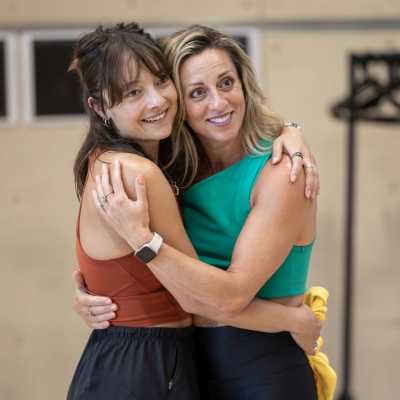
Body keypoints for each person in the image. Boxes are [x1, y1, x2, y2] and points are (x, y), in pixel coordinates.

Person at [69, 23, 321, 400]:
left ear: (244, 86)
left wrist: (291, 130)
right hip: (189, 364)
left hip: (261, 366)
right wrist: (100, 294)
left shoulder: (283, 168)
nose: (218, 104)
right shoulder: (177, 169)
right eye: (197, 92)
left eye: (226, 84)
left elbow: (227, 296)